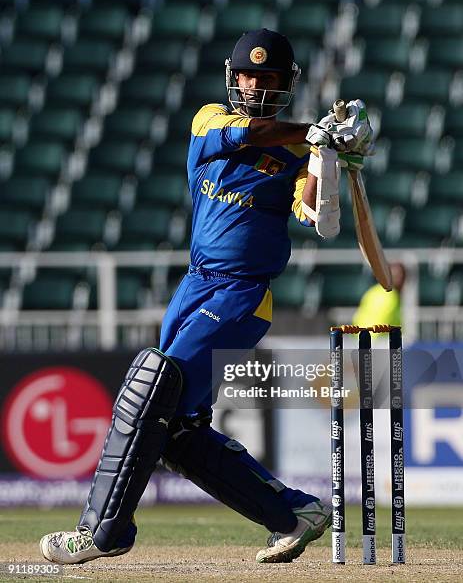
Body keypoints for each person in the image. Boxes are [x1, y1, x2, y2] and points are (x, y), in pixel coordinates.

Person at [39, 29, 373, 565]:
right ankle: (293, 514)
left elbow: (318, 219)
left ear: (285, 83)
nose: (256, 86)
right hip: (195, 284)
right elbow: (247, 134)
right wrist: (315, 133)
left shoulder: (297, 152)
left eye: (268, 78)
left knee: (153, 385)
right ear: (232, 78)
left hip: (242, 294)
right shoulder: (210, 119)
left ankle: (102, 531)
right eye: (248, 76)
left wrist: (330, 160)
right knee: (174, 428)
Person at [353, 262, 406, 331]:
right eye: (397, 276)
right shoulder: (391, 296)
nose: (400, 280)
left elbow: (358, 316)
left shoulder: (372, 291)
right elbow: (383, 321)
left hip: (362, 335)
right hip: (379, 338)